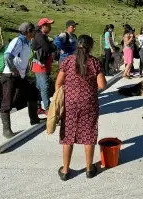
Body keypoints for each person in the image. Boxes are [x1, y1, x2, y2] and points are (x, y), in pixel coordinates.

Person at [55, 35, 107, 181]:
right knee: (88, 134)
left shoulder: (68, 61)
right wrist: (90, 89)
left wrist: (60, 99)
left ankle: (65, 170)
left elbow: (58, 83)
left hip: (69, 103)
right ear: (90, 47)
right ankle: (89, 169)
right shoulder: (94, 62)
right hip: (89, 103)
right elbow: (102, 85)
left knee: (68, 135)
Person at [0, 22, 41, 139]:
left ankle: (34, 120)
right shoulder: (18, 41)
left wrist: (25, 68)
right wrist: (13, 69)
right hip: (10, 76)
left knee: (33, 92)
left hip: (20, 77)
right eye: (33, 30)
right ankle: (6, 130)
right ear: (28, 31)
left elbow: (21, 57)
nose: (34, 32)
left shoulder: (26, 42)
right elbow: (7, 56)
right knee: (7, 102)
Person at [31, 18, 56, 115]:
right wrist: (53, 46)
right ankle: (47, 108)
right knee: (45, 86)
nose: (50, 27)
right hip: (41, 66)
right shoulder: (40, 36)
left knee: (39, 87)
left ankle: (38, 107)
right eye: (48, 25)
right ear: (42, 26)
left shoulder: (41, 36)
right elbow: (47, 49)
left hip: (40, 65)